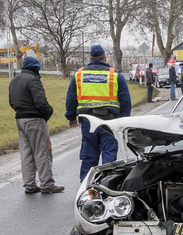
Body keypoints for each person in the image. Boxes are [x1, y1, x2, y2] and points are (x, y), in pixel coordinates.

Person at [65, 45, 132, 182]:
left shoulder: (79, 75)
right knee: (108, 154)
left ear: (90, 58)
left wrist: (71, 117)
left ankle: (87, 185)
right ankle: (107, 182)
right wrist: (124, 121)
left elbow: (71, 99)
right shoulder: (114, 75)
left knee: (89, 154)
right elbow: (125, 100)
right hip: (109, 122)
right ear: (105, 58)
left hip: (88, 122)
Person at [8, 56, 65, 194]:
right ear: (35, 68)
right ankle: (47, 184)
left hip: (20, 119)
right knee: (42, 152)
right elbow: (40, 102)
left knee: (26, 153)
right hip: (35, 120)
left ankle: (29, 184)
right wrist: (48, 112)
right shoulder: (33, 80)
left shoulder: (14, 81)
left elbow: (11, 102)